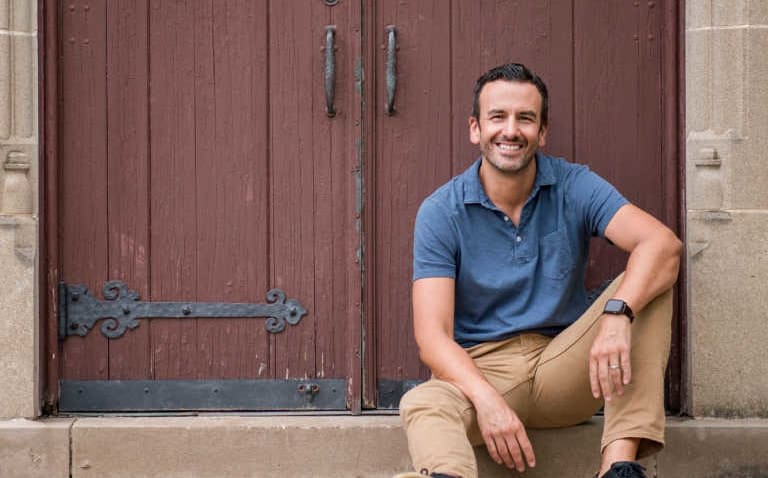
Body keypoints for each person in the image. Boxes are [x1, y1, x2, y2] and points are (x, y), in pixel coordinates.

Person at [394, 63, 682, 478]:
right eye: (498, 117)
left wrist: (618, 316)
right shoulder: (442, 211)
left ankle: (619, 467)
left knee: (648, 280)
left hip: (564, 365)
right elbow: (432, 338)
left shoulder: (573, 184)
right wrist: (489, 401)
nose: (510, 130)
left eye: (525, 118)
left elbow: (663, 245)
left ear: (542, 132)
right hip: (483, 371)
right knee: (423, 402)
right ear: (475, 128)